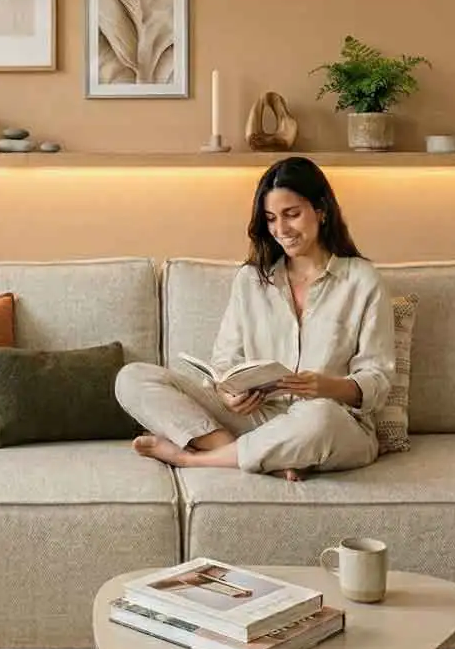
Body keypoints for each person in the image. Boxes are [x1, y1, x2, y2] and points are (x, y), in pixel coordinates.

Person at [115, 156, 395, 482]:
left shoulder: (361, 279)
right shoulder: (251, 280)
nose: (281, 229)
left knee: (319, 417)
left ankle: (194, 460)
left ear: (321, 210)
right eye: (271, 218)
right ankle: (255, 455)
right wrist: (228, 395)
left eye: (292, 215)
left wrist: (327, 386)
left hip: (329, 422)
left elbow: (379, 379)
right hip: (259, 418)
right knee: (132, 377)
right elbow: (224, 362)